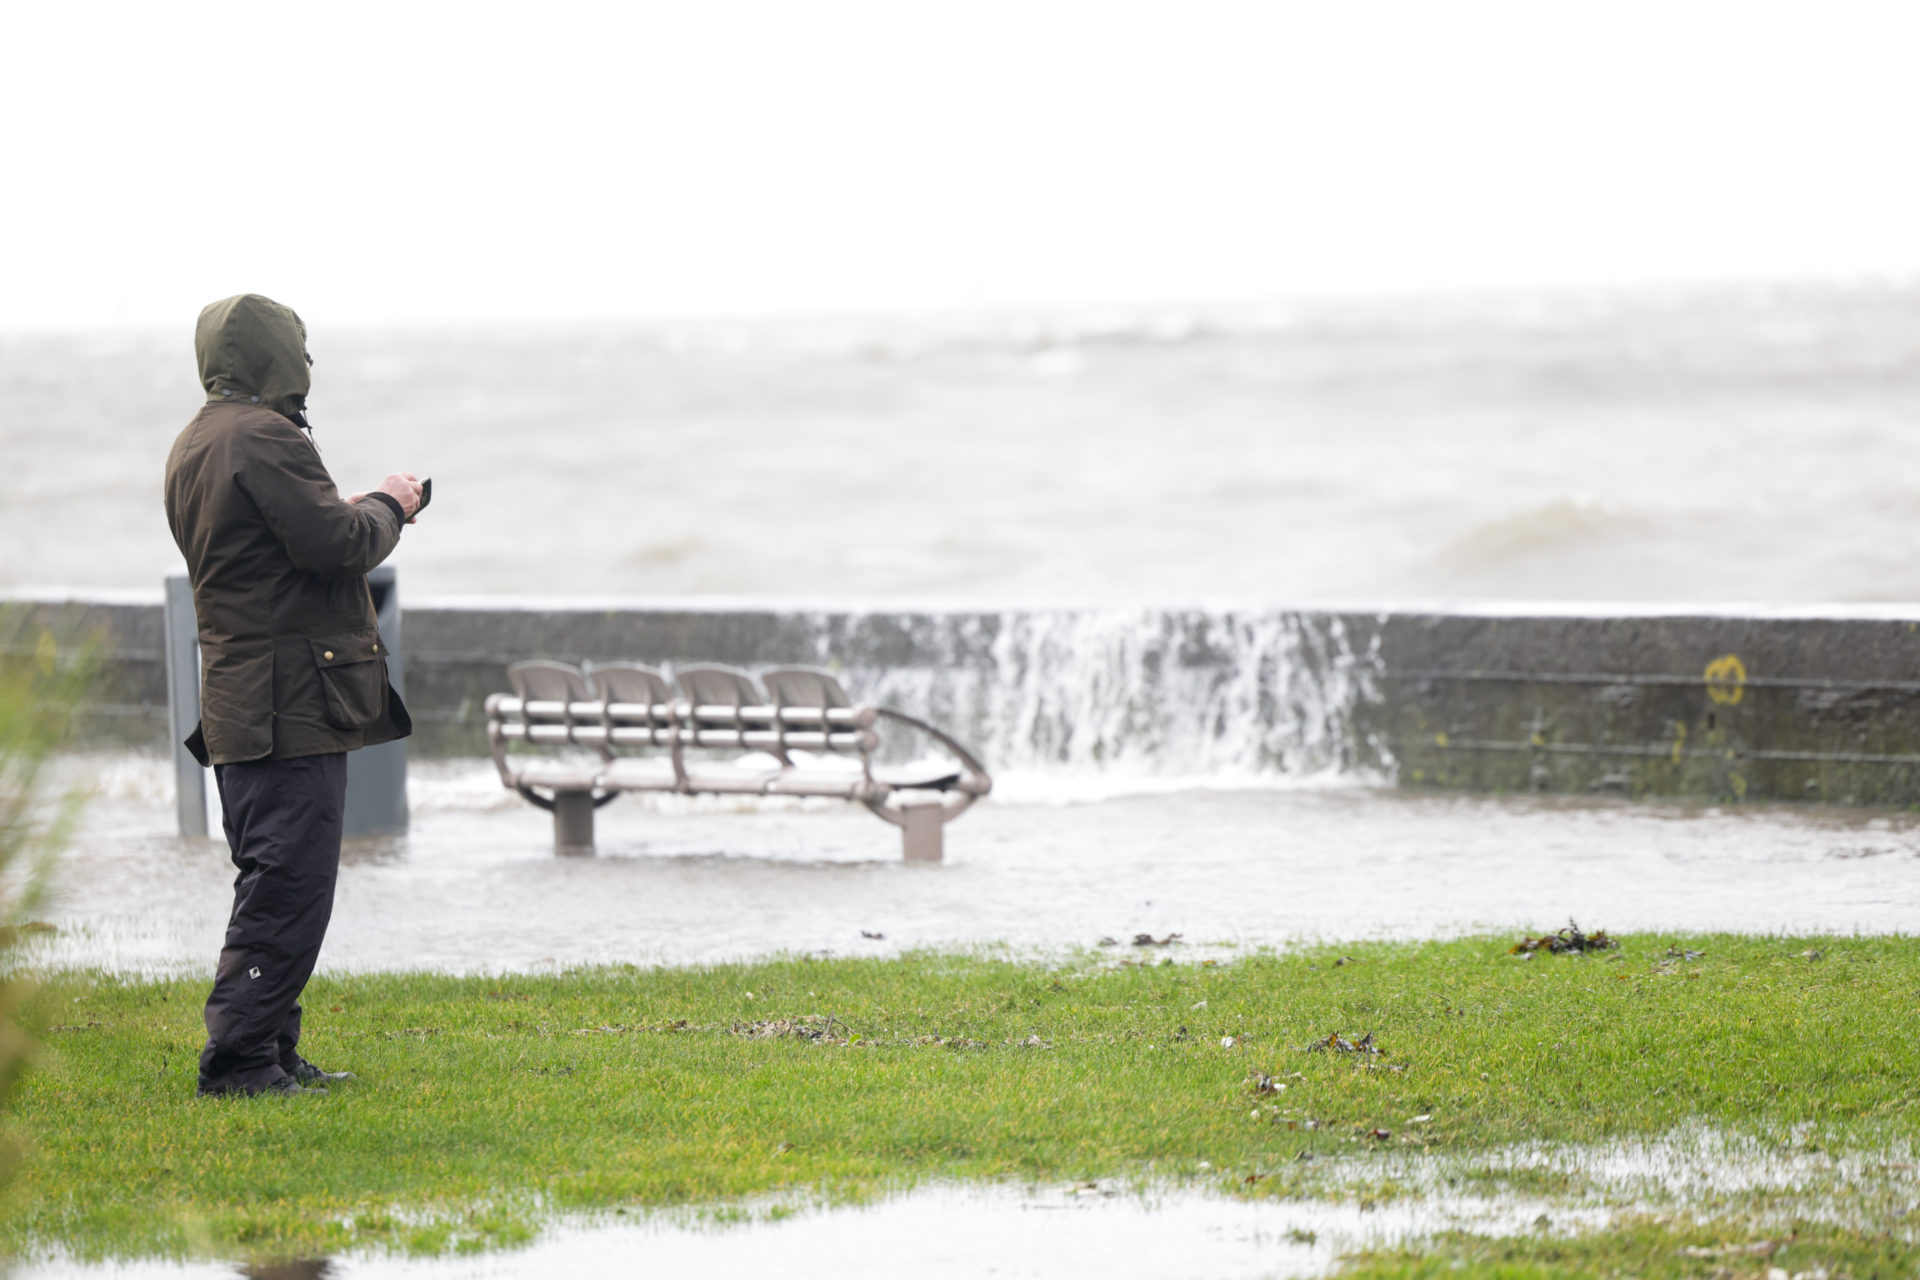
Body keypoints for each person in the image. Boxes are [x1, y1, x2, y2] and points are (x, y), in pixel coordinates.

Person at [164, 293, 424, 1097]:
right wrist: (390, 504)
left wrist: (337, 514)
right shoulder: (267, 437)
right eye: (299, 351)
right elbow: (338, 546)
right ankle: (240, 1061)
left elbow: (265, 552)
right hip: (290, 704)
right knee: (291, 885)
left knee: (272, 874)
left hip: (242, 697)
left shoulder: (197, 441)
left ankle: (272, 1049)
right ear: (278, 355)